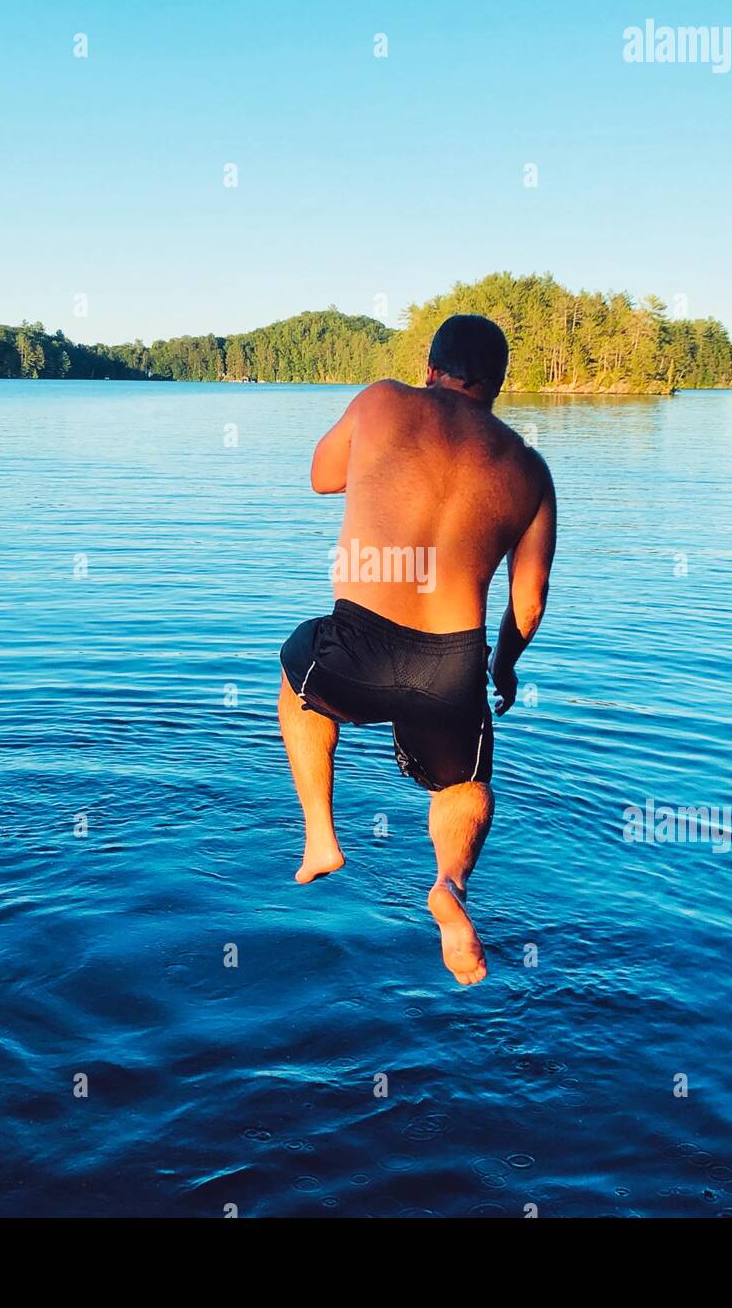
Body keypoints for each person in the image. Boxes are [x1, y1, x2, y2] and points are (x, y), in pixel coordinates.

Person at [277, 314, 556, 985]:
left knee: (298, 685)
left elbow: (320, 476)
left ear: (430, 367)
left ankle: (320, 835)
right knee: (464, 786)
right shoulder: (527, 467)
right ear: (497, 385)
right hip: (452, 664)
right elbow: (531, 602)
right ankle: (448, 887)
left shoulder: (383, 399)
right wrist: (504, 666)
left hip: (358, 643)